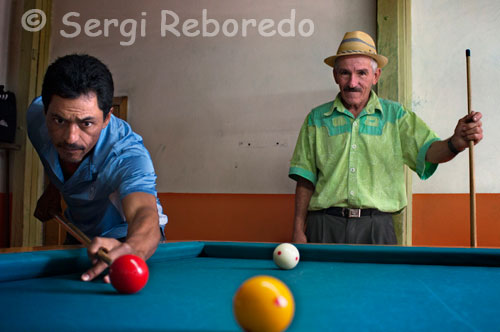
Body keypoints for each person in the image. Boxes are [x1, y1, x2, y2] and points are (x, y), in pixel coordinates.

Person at [289, 31, 483, 244]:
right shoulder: (316, 119)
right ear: (335, 76)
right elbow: (305, 180)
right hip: (324, 226)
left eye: (362, 73)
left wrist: (456, 143)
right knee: (323, 279)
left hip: (377, 227)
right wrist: (298, 229)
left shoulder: (396, 116)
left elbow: (429, 152)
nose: (352, 82)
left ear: (376, 76)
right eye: (345, 73)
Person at [27, 54, 168, 282]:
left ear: (107, 118)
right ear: (45, 113)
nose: (71, 138)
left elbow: (144, 211)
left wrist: (135, 248)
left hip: (127, 234)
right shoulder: (36, 120)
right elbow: (53, 159)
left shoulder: (127, 154)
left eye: (87, 123)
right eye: (59, 121)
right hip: (80, 225)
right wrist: (53, 191)